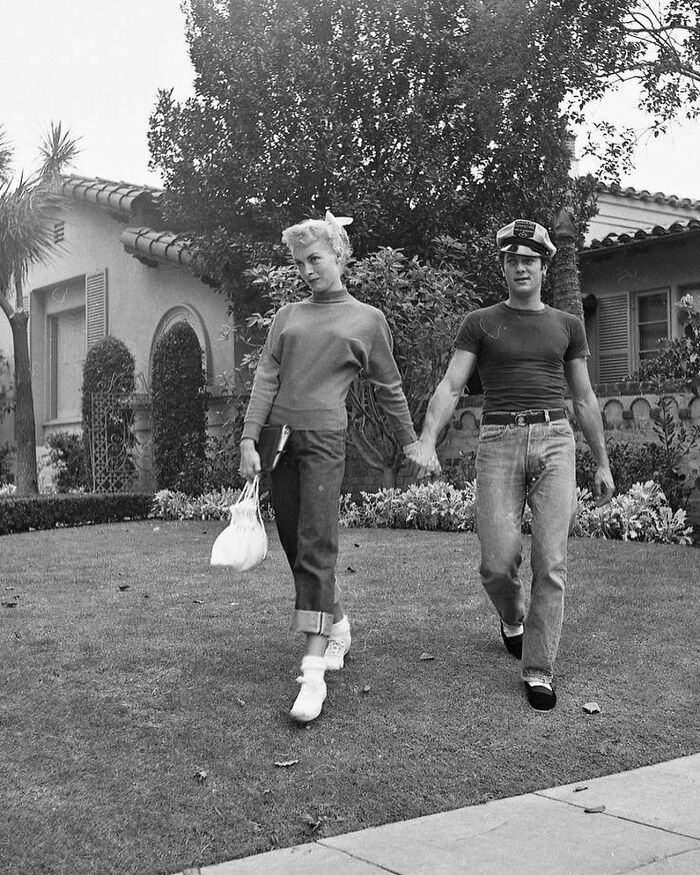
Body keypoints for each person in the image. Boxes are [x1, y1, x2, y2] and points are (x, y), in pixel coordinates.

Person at [413, 219, 615, 711]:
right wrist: (426, 440)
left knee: (552, 561)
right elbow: (450, 386)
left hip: (554, 440)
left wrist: (603, 463)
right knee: (497, 563)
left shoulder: (566, 325)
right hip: (499, 439)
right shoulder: (481, 322)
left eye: (529, 259)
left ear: (544, 266)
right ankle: (512, 616)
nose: (520, 266)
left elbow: (584, 397)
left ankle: (539, 670)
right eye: (512, 259)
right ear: (503, 265)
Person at [239, 211, 421, 723]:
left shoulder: (367, 320)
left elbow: (388, 387)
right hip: (279, 441)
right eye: (299, 263)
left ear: (339, 256)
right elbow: (266, 377)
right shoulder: (287, 317)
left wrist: (409, 442)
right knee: (298, 549)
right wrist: (249, 439)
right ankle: (336, 623)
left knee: (317, 547)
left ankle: (313, 674)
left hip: (324, 441)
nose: (306, 270)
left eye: (314, 259)